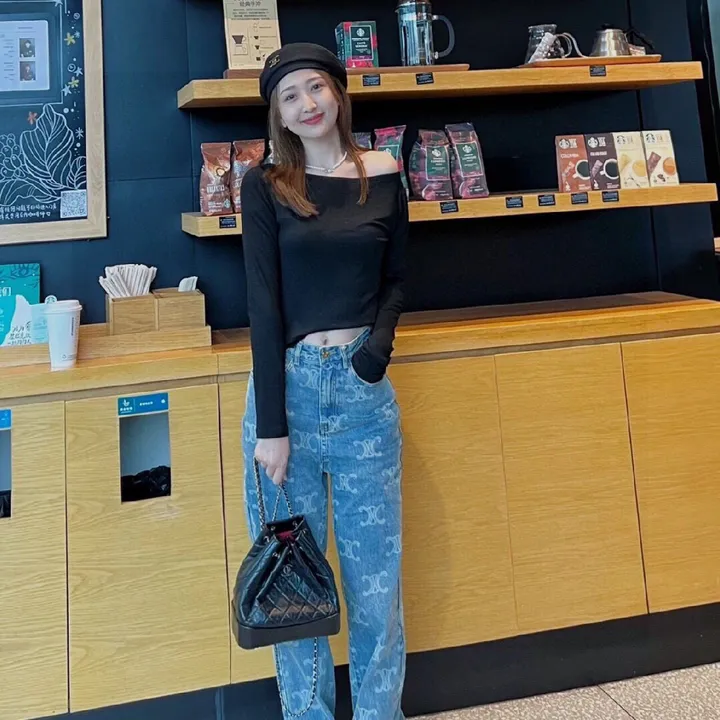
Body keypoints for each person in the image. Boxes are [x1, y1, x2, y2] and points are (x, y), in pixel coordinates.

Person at [240, 42, 408, 720]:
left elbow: (397, 279)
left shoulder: (384, 173)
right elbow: (262, 302)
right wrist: (272, 426)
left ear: (338, 92)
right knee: (295, 590)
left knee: (377, 588)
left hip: (364, 395)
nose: (307, 104)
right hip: (290, 394)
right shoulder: (264, 184)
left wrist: (375, 355)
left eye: (316, 87)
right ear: (278, 114)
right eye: (290, 96)